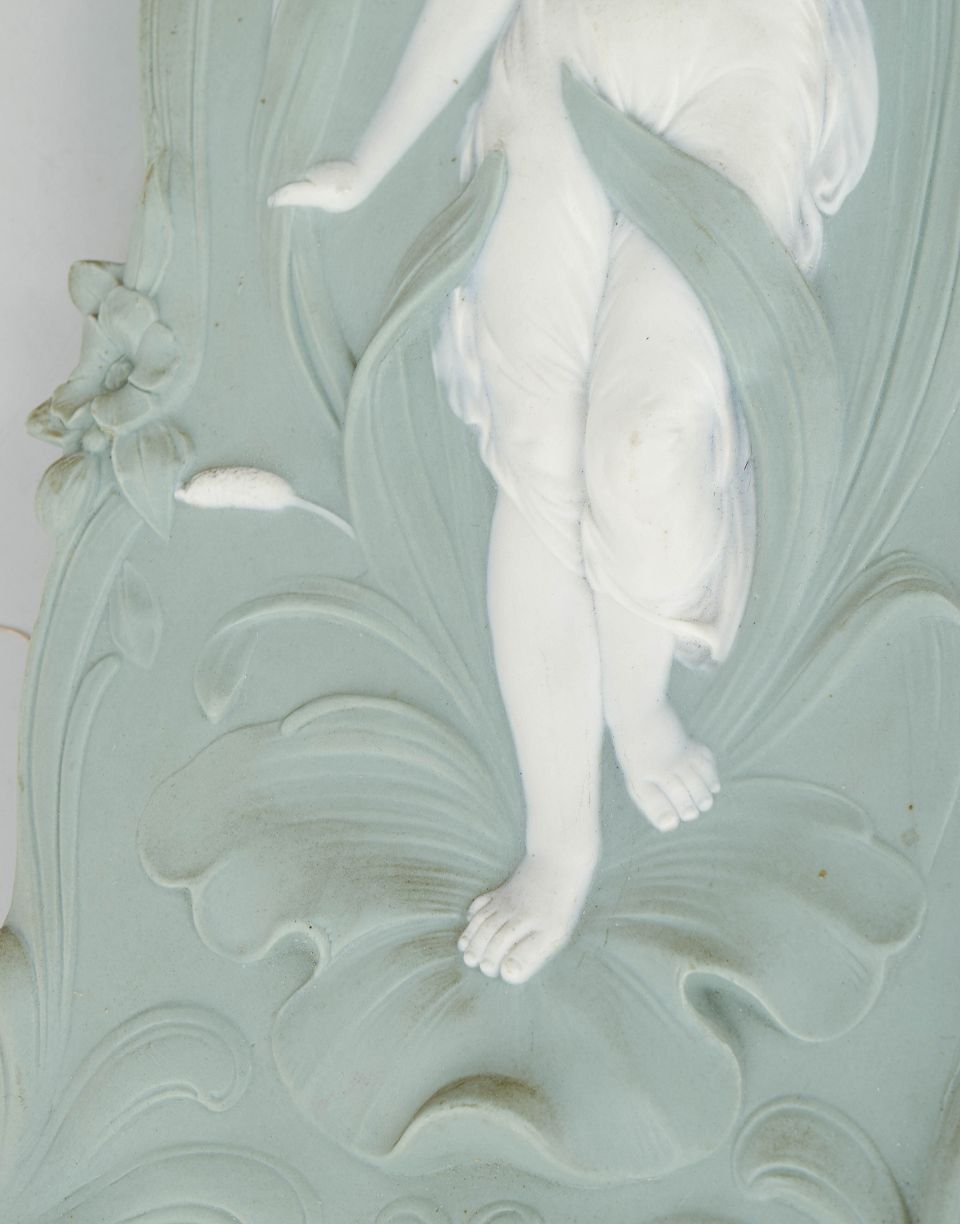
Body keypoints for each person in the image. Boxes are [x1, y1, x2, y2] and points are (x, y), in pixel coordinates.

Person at [271, 0, 878, 985]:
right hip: (569, 43)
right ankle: (560, 839)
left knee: (644, 440)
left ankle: (637, 709)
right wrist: (371, 158)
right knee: (539, 449)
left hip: (745, 57)